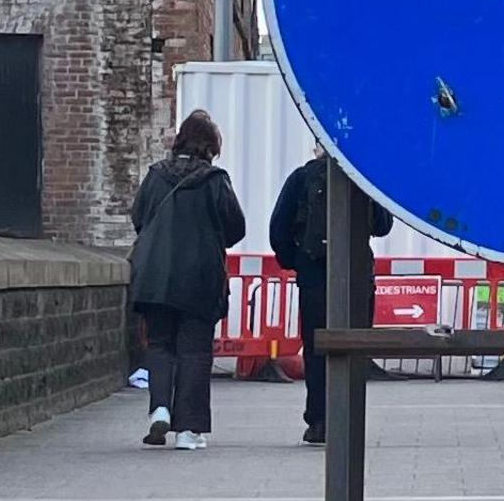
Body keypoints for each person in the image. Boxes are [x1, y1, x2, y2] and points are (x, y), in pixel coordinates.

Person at [128, 111, 246, 451]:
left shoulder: (155, 176)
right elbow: (235, 228)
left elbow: (139, 218)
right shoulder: (214, 180)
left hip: (155, 278)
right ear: (210, 146)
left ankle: (159, 408)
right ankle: (188, 430)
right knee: (194, 351)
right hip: (199, 279)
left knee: (160, 344)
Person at [268, 156, 391, 444]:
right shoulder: (364, 174)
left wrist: (295, 261)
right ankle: (349, 417)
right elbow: (383, 224)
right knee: (355, 347)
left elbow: (279, 228)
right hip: (356, 275)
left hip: (314, 275)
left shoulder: (302, 177)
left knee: (316, 349)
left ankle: (319, 420)